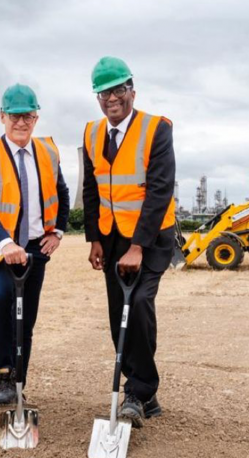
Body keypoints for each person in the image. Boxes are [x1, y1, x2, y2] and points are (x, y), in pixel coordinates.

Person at [82, 57, 176, 428]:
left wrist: (138, 246)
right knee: (116, 315)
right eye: (104, 92)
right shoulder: (91, 133)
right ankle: (144, 393)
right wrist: (94, 238)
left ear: (132, 91)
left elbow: (159, 190)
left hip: (150, 239)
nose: (112, 98)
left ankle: (138, 391)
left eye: (119, 89)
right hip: (111, 238)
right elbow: (91, 188)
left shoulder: (157, 129)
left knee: (137, 304)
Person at [0, 83, 70, 407]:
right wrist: (5, 243)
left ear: (36, 118)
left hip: (35, 248)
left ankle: (18, 380)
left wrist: (58, 232)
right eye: (14, 116)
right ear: (2, 116)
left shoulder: (49, 152)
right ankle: (3, 376)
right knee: (1, 297)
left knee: (25, 317)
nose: (21, 122)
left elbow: (62, 193)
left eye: (27, 116)